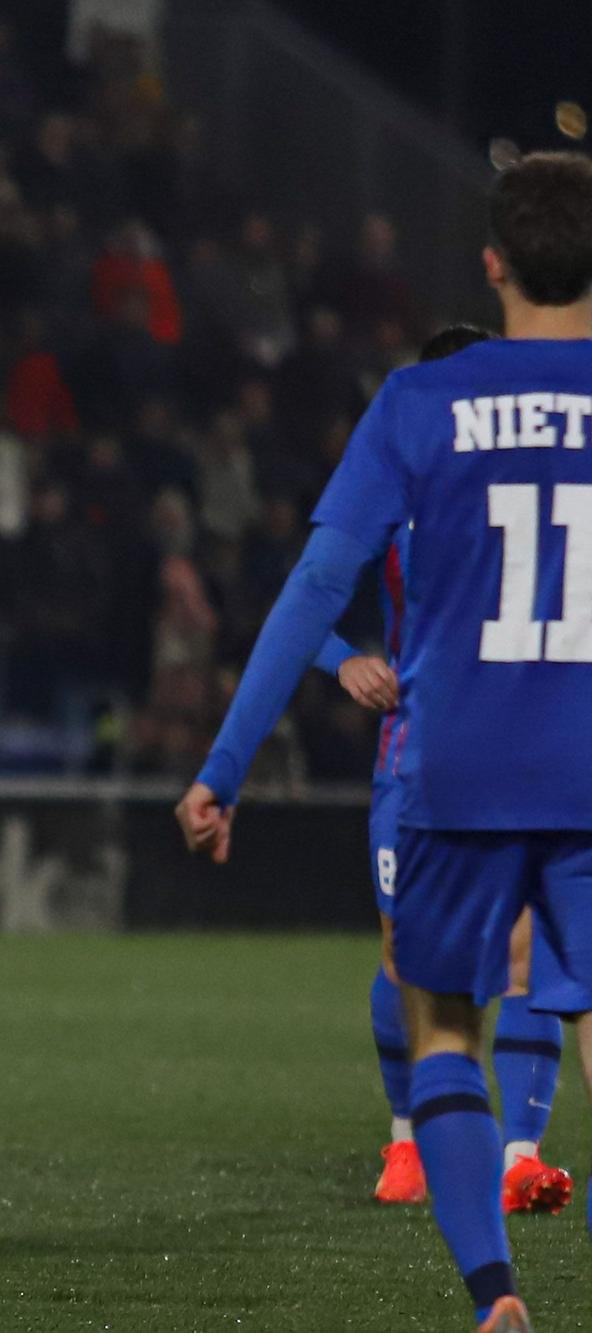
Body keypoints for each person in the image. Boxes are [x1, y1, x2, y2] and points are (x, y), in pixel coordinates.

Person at [174, 153, 592, 1332]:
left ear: (491, 263)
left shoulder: (421, 402)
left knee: (443, 1022)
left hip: (454, 769)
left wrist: (220, 767)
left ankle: (495, 1295)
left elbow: (312, 590)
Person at [306, 325, 572, 1214]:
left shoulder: (529, 484)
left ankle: (519, 1155)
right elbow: (305, 593)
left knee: (528, 948)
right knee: (407, 951)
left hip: (517, 747)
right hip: (413, 753)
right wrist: (344, 659)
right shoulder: (396, 487)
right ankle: (405, 1140)